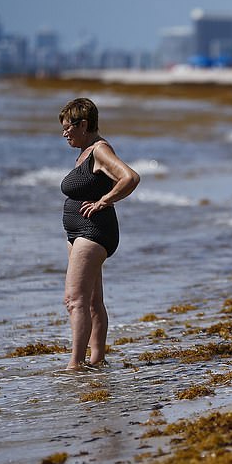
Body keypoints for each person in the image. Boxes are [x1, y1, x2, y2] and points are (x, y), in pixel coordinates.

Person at [58, 98, 140, 370]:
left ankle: (75, 365)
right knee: (92, 301)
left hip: (94, 230)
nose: (64, 133)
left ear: (83, 124)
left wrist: (105, 200)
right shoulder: (84, 152)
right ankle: (96, 360)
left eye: (68, 127)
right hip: (79, 232)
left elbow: (130, 177)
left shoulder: (99, 150)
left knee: (74, 300)